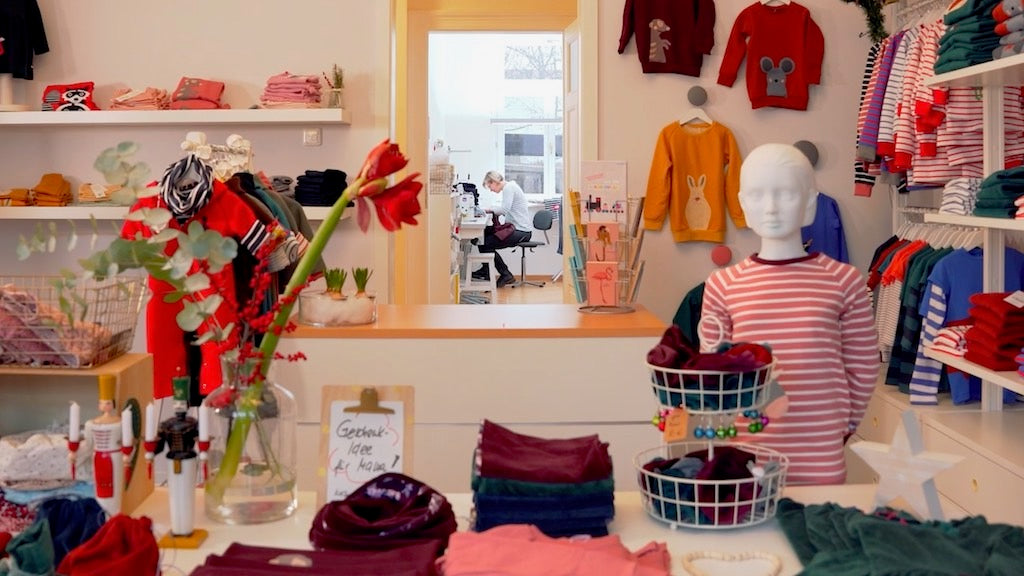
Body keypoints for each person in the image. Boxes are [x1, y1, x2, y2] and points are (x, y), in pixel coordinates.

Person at [698, 143, 878, 485]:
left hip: (821, 444)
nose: (771, 208)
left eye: (785, 194)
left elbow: (863, 364)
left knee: (819, 528)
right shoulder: (723, 284)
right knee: (752, 529)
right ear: (743, 204)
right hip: (746, 447)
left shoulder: (844, 281)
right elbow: (714, 373)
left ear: (810, 202)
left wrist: (846, 424)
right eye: (757, 195)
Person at [473, 171, 533, 287]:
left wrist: (487, 210)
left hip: (522, 231)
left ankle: (505, 274)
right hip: (519, 229)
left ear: (494, 182)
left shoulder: (509, 188)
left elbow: (504, 210)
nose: (490, 189)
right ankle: (487, 270)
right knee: (483, 239)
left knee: (485, 243)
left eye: (489, 186)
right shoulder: (511, 187)